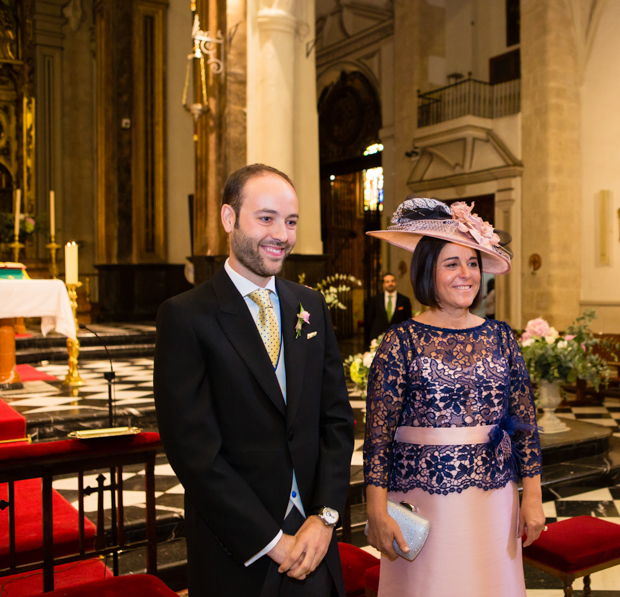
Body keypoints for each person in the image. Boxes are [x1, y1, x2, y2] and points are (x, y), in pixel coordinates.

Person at [154, 164, 355, 597]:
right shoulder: (187, 316)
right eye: (266, 218)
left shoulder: (310, 307)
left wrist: (325, 517)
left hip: (314, 543)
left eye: (291, 221)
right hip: (238, 554)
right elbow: (193, 452)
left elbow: (336, 421)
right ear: (230, 219)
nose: (281, 234)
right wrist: (271, 541)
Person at [363, 198, 544, 597]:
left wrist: (532, 496)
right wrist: (375, 508)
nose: (466, 274)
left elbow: (525, 426)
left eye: (473, 263)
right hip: (424, 505)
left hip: (495, 501)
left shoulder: (501, 338)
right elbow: (377, 438)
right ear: (428, 270)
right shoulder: (400, 342)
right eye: (451, 263)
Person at [364, 272, 412, 344]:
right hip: (378, 338)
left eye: (392, 281)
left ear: (395, 282)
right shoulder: (375, 300)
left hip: (399, 338)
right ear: (383, 284)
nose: (390, 284)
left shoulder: (404, 300)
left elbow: (408, 320)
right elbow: (370, 318)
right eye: (387, 282)